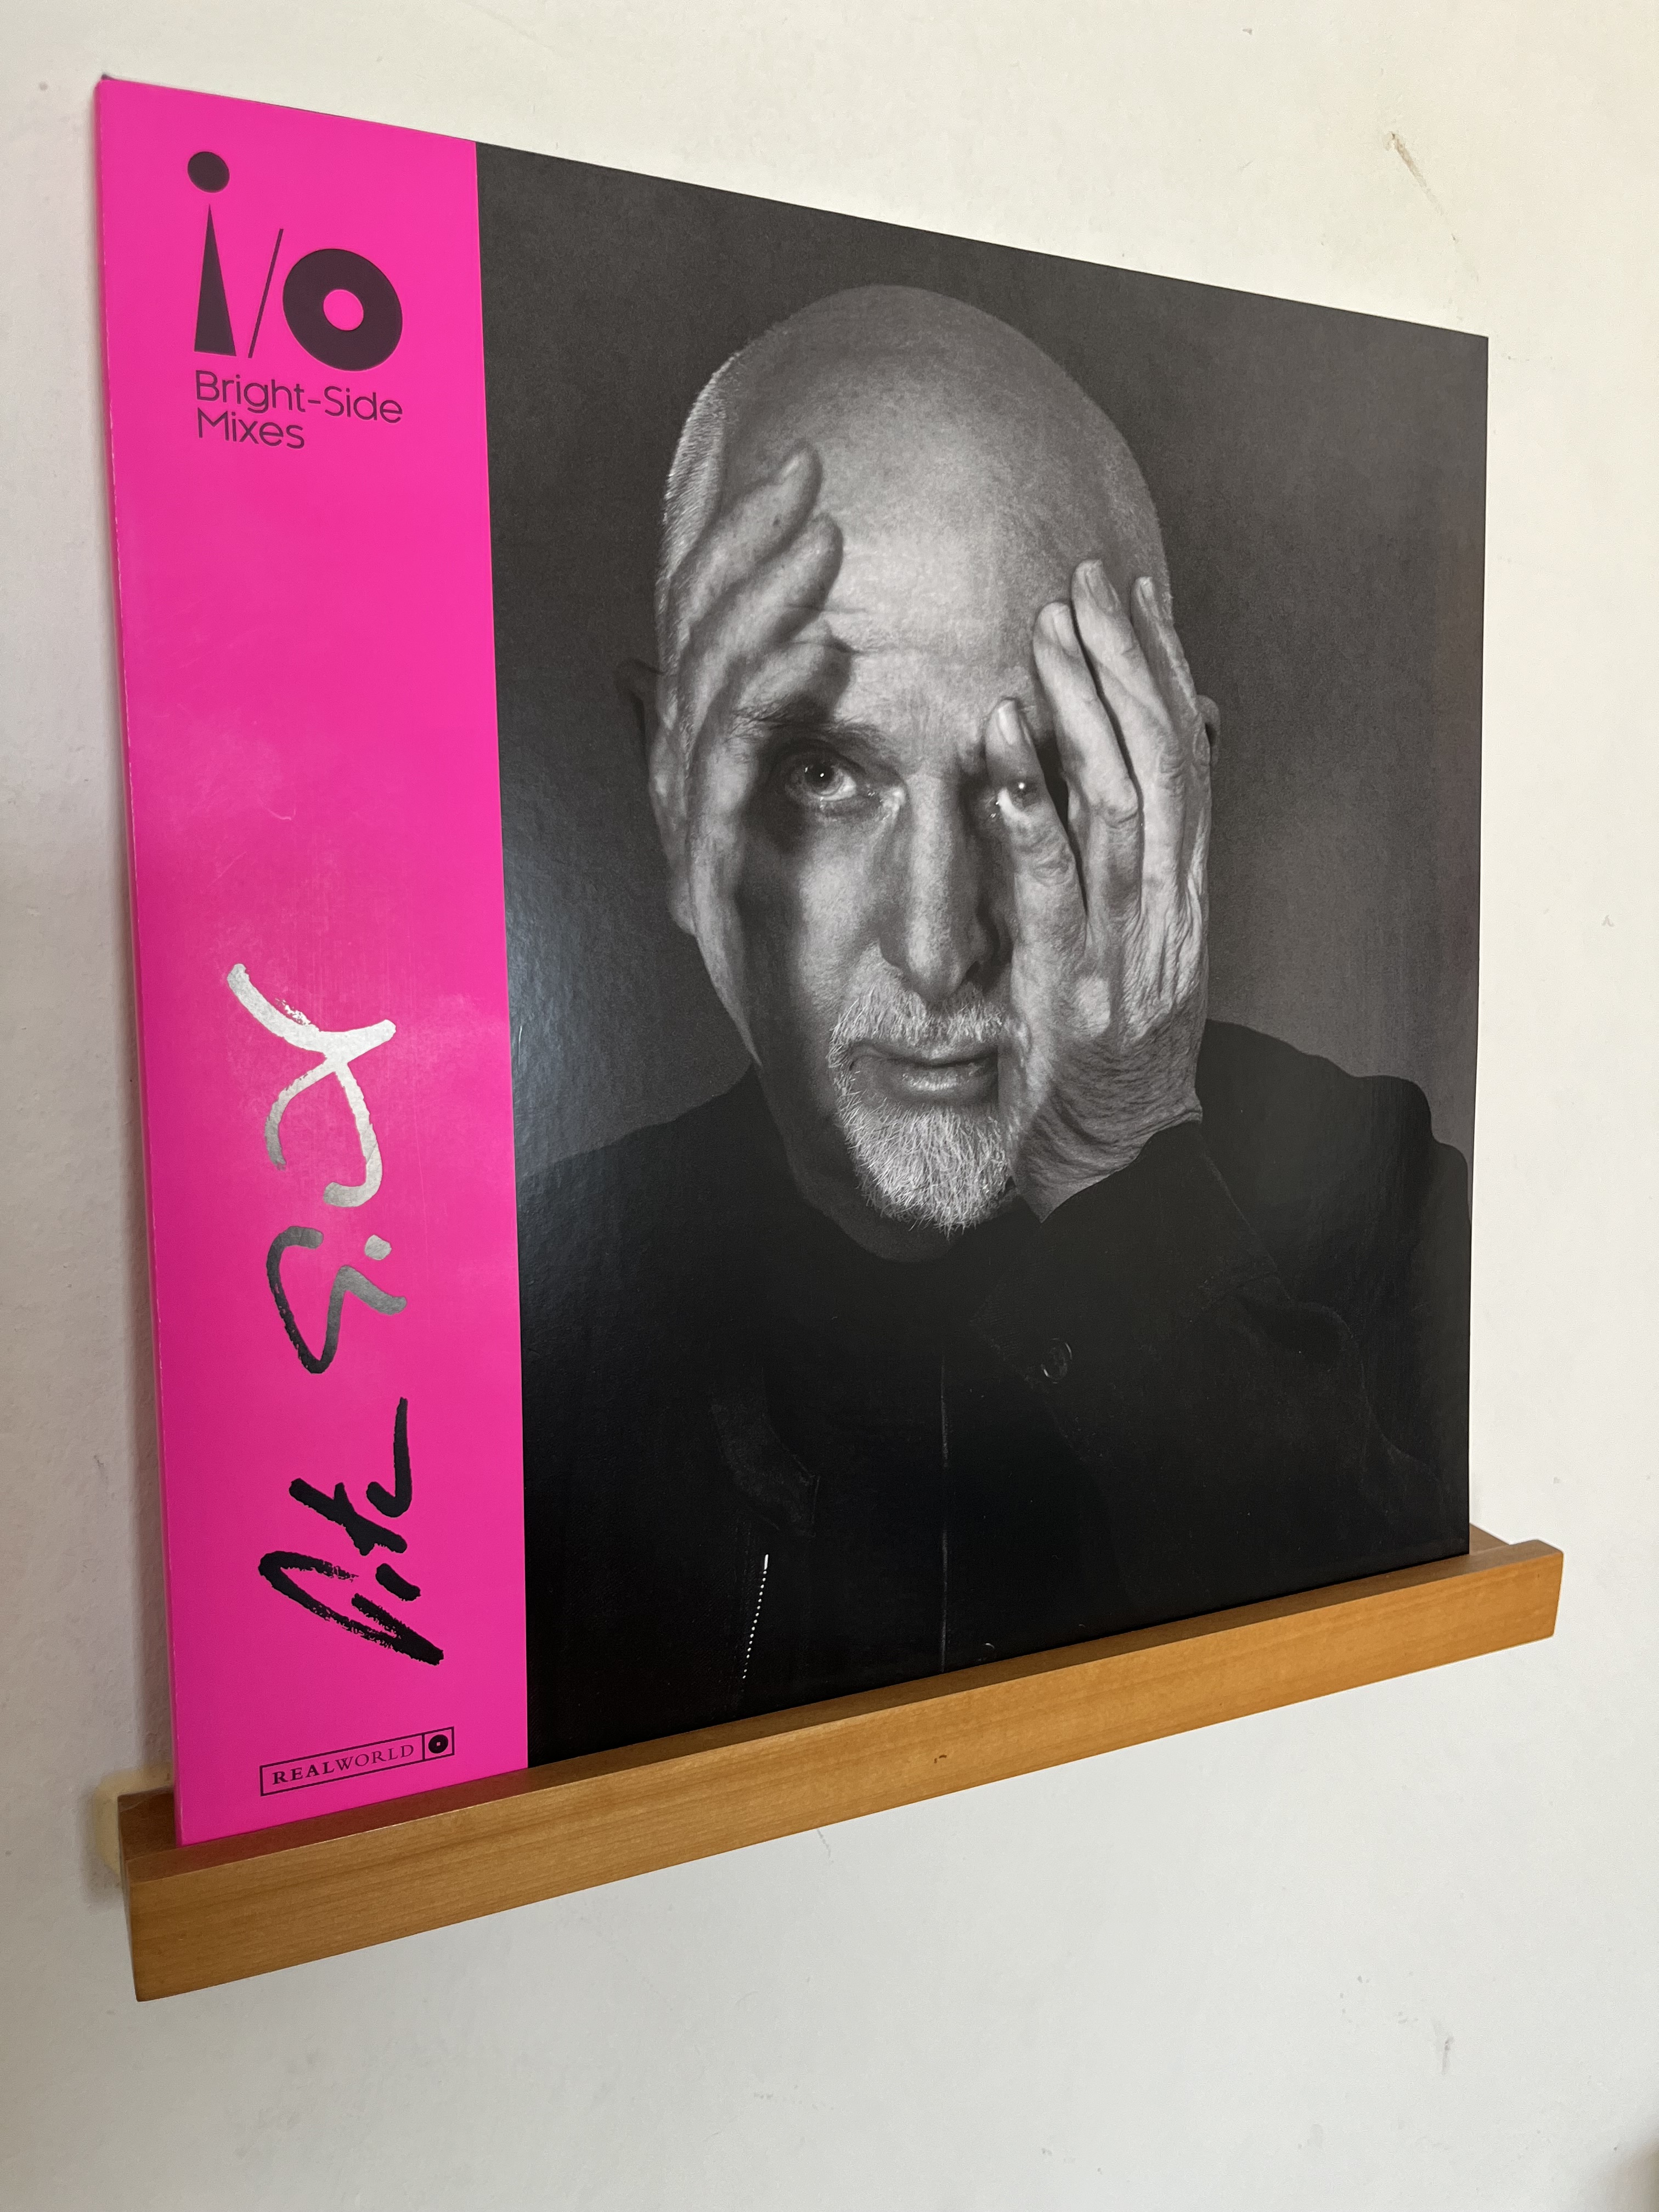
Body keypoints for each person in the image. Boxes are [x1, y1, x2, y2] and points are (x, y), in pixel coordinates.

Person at [520, 285, 1468, 1764]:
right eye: (824, 774)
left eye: (1031, 783)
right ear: (673, 790)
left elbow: (1416, 1762)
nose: (938, 945)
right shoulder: (523, 1332)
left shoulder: (1387, 1202)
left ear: (1174, 793)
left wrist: (1125, 1167)